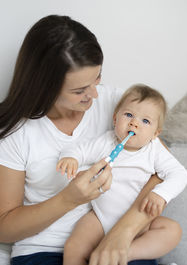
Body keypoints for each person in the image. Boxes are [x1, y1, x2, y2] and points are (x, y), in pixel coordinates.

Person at [0, 15, 168, 265]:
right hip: (42, 250)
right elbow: (5, 226)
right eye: (79, 90)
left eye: (97, 78)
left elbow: (162, 169)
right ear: (45, 86)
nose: (93, 94)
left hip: (114, 241)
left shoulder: (122, 107)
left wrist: (123, 232)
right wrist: (69, 199)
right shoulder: (16, 132)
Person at [57, 84, 187, 265]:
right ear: (115, 118)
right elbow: (78, 149)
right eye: (128, 115)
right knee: (73, 247)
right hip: (99, 219)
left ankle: (126, 254)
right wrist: (71, 158)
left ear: (155, 134)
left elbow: (180, 174)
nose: (134, 123)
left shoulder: (154, 149)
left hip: (139, 222)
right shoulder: (106, 141)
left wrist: (160, 194)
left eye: (145, 121)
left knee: (172, 230)